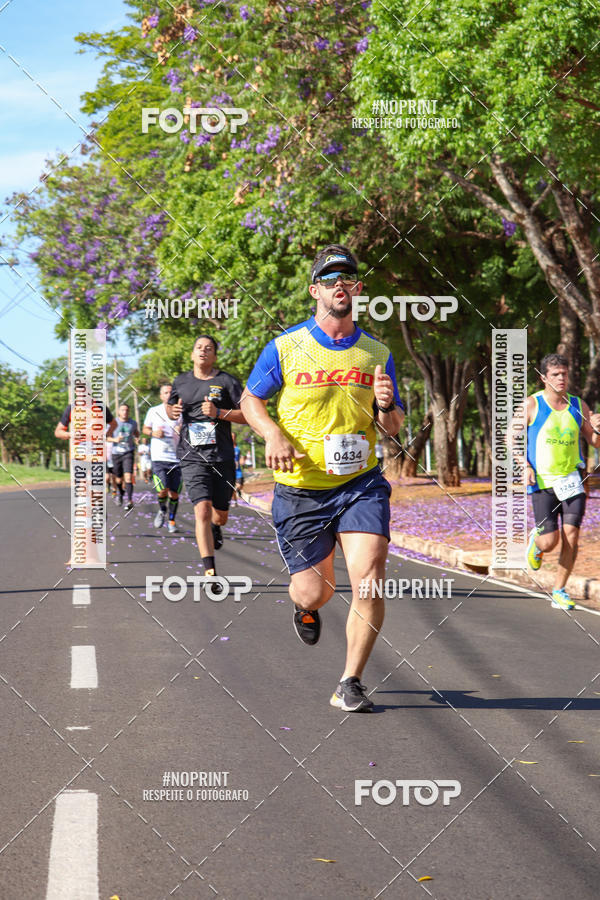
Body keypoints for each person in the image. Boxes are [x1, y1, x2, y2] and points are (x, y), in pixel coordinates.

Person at [241, 244, 404, 712]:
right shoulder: (286, 347)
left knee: (369, 576)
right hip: (301, 488)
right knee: (318, 590)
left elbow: (391, 427)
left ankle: (350, 681)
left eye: (348, 278)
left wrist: (387, 405)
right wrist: (272, 433)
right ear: (315, 291)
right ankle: (305, 605)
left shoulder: (377, 352)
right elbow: (253, 399)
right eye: (330, 279)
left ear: (357, 289)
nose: (340, 285)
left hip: (360, 484)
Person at [167, 335, 246, 579]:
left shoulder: (227, 381)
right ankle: (209, 570)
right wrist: (173, 411)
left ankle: (216, 527)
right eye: (199, 348)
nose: (203, 351)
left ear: (215, 355)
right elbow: (170, 409)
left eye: (208, 348)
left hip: (221, 456)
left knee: (219, 516)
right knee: (201, 509)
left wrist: (219, 412)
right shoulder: (180, 382)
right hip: (192, 457)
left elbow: (248, 414)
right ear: (192, 354)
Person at [525, 354, 600, 609]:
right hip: (542, 482)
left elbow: (595, 442)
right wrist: (523, 464)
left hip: (572, 480)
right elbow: (509, 438)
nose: (561, 378)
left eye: (564, 374)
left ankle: (559, 590)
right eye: (555, 374)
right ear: (544, 377)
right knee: (549, 542)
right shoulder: (532, 404)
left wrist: (598, 430)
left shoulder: (579, 405)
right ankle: (536, 542)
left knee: (571, 536)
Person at [143, 383, 183, 534]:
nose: (168, 394)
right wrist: (153, 433)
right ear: (161, 396)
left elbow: (187, 431)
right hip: (159, 457)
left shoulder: (181, 412)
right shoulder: (153, 411)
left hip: (177, 458)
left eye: (171, 392)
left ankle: (172, 521)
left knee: (174, 493)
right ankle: (162, 510)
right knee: (162, 491)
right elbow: (145, 429)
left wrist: (181, 430)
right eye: (165, 392)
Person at [107, 403, 139, 511]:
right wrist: (115, 440)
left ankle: (130, 501)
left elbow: (136, 432)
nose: (125, 412)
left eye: (126, 410)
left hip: (128, 452)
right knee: (118, 479)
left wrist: (137, 438)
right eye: (122, 410)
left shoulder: (133, 423)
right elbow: (106, 437)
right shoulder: (113, 423)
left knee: (128, 477)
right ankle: (120, 494)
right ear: (119, 412)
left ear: (128, 412)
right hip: (116, 454)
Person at [232, 433, 244, 505]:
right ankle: (235, 501)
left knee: (239, 486)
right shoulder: (226, 447)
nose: (232, 438)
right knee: (232, 488)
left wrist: (242, 460)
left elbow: (242, 456)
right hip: (230, 471)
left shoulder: (238, 448)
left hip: (238, 471)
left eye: (233, 437)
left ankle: (238, 491)